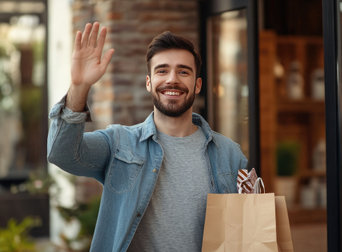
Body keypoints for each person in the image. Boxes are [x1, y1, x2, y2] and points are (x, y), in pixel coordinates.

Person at [47, 22, 248, 252]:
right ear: (148, 83)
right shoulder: (119, 144)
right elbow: (61, 154)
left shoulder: (230, 155)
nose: (172, 79)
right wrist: (79, 86)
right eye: (162, 70)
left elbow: (243, 233)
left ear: (198, 84)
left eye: (183, 71)